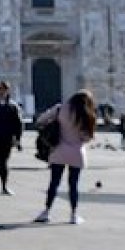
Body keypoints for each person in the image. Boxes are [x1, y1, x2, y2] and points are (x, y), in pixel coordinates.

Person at [33, 90, 96, 225]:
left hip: (59, 150)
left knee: (54, 183)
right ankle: (73, 214)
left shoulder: (59, 109)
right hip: (76, 153)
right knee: (73, 185)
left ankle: (46, 211)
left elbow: (41, 120)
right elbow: (87, 137)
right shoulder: (87, 114)